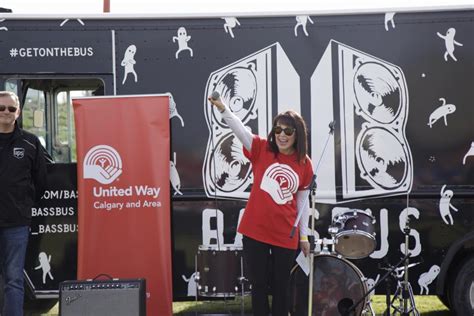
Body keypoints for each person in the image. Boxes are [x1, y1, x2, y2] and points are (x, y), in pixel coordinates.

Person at [208, 95, 314, 316]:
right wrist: (223, 107)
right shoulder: (262, 148)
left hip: (286, 234)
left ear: (298, 134)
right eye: (278, 130)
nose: (282, 135)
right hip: (255, 231)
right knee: (257, 287)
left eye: (288, 131)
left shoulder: (304, 163)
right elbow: (240, 129)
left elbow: (302, 202)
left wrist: (303, 237)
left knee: (281, 289)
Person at [0, 91, 47, 316]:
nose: (6, 113)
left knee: (13, 280)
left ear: (18, 112)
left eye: (11, 108)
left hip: (16, 224)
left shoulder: (30, 142)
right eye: (1, 108)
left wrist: (23, 202)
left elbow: (40, 181)